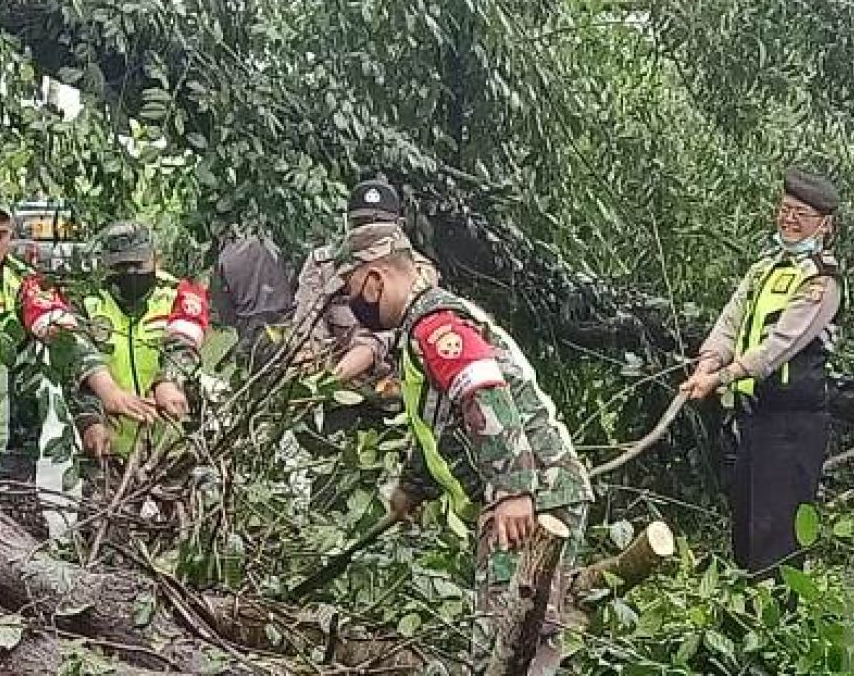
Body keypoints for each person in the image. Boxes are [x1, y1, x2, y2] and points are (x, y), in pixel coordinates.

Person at [331, 222, 592, 674]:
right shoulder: (422, 329)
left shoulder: (434, 326)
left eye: (352, 289)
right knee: (518, 645)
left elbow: (483, 393)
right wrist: (411, 488)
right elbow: (441, 425)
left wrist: (513, 489)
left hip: (531, 499)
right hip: (532, 491)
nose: (354, 305)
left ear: (374, 280)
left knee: (508, 651)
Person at [679, 168, 845, 573]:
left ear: (825, 225)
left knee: (778, 532)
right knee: (746, 521)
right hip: (756, 414)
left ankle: (778, 623)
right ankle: (744, 619)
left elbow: (777, 348)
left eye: (801, 215)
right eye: (785, 210)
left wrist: (720, 378)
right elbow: (730, 321)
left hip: (795, 421)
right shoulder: (765, 268)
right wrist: (708, 362)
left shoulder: (822, 281)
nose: (789, 220)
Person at [0, 190, 142, 531]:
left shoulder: (24, 285)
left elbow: (62, 333)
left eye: (0, 236)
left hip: (6, 457)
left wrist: (107, 388)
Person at [71, 221, 210, 460]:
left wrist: (168, 381)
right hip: (109, 452)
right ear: (105, 265)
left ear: (156, 259)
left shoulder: (181, 294)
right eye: (121, 266)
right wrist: (89, 422)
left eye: (138, 264)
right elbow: (79, 369)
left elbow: (184, 344)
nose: (131, 273)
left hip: (173, 445)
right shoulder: (87, 303)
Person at [292, 176, 437, 384]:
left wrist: (329, 382)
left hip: (391, 389)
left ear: (399, 228)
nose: (369, 235)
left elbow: (381, 338)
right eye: (361, 225)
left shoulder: (414, 270)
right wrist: (308, 381)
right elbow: (305, 331)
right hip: (332, 383)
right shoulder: (323, 264)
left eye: (379, 227)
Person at [210, 231, 294, 364]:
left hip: (251, 329)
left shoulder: (224, 259)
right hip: (286, 321)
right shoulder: (272, 245)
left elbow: (225, 315)